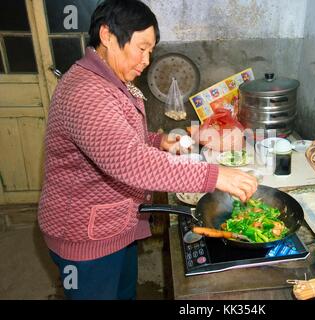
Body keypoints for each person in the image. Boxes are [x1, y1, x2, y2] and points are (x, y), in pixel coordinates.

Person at [37, 0, 257, 300]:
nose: (146, 59)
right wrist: (215, 175)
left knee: (125, 294)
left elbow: (117, 139)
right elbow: (129, 162)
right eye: (142, 48)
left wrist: (157, 141)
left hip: (114, 227)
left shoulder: (111, 80)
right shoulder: (85, 92)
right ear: (107, 36)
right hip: (84, 238)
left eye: (150, 50)